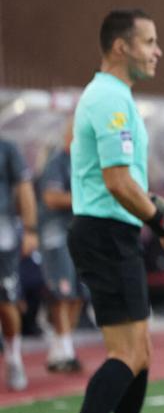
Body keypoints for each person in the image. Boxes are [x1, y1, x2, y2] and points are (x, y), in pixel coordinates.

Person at [47, 9, 164, 413]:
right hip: (106, 235)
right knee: (126, 354)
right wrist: (163, 224)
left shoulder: (115, 97)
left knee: (142, 353)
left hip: (114, 229)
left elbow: (115, 178)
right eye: (149, 41)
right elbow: (114, 182)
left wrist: (161, 203)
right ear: (120, 47)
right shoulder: (109, 98)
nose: (158, 50)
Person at [38, 117, 87, 373]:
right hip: (57, 234)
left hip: (79, 234)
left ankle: (60, 347)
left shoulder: (85, 164)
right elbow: (51, 197)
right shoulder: (57, 163)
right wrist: (85, 197)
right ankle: (64, 349)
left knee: (79, 294)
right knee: (62, 292)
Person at [1, 135, 37, 391]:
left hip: (2, 234)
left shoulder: (7, 148)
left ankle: (13, 356)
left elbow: (24, 187)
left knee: (7, 301)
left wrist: (30, 229)